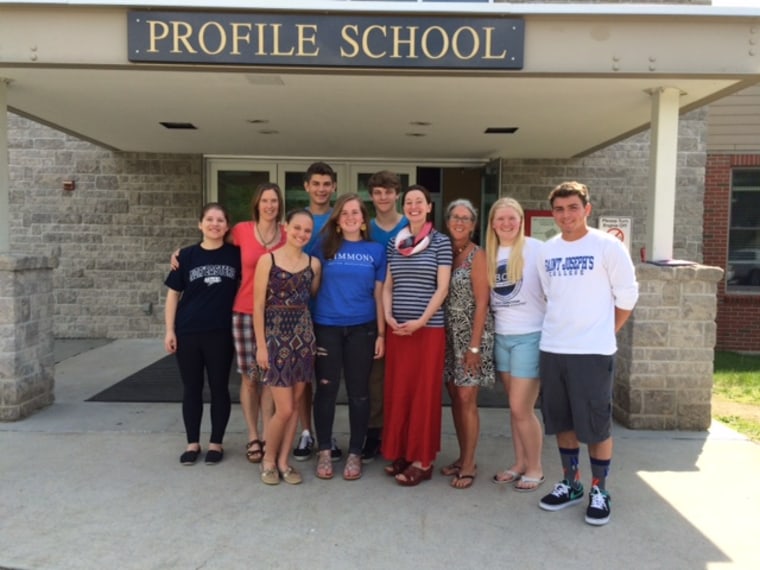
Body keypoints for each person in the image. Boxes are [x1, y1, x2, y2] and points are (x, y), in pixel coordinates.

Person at [536, 181, 639, 526]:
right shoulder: (547, 251)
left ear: (587, 209)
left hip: (592, 353)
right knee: (562, 422)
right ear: (553, 214)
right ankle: (571, 483)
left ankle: (600, 489)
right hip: (554, 348)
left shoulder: (607, 246)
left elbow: (627, 297)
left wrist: (603, 332)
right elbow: (552, 296)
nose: (566, 215)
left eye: (573, 208)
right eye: (560, 209)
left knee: (595, 425)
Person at [171, 183, 286, 466]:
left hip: (276, 315)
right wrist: (179, 253)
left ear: (279, 205)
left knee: (269, 379)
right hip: (243, 313)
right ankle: (251, 436)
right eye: (264, 201)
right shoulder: (242, 232)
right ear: (257, 204)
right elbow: (209, 242)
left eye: (274, 201)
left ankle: (265, 436)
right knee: (249, 379)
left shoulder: (286, 233)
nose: (269, 205)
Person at [312, 194, 386, 481]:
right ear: (337, 220)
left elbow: (380, 296)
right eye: (345, 212)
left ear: (363, 219)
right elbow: (312, 286)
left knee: (359, 392)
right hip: (326, 327)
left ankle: (355, 451)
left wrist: (381, 333)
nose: (351, 217)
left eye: (356, 212)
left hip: (362, 329)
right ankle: (325, 450)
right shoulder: (323, 248)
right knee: (327, 390)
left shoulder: (376, 251)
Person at [382, 184, 452, 486]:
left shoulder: (440, 242)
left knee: (424, 394)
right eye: (408, 201)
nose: (413, 206)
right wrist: (387, 316)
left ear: (428, 207)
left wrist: (422, 320)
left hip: (428, 331)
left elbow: (442, 288)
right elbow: (388, 285)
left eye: (419, 202)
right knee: (400, 392)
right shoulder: (395, 243)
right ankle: (404, 451)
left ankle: (423, 460)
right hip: (398, 329)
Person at [164, 203, 241, 466]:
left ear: (227, 226)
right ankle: (192, 442)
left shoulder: (235, 255)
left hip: (220, 333)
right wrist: (169, 330)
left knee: (220, 388)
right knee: (192, 388)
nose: (215, 224)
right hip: (188, 332)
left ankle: (216, 443)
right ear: (200, 224)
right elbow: (173, 295)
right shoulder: (186, 256)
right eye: (209, 219)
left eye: (220, 220)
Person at [254, 209, 322, 486]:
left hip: (303, 340)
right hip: (275, 338)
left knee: (294, 406)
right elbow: (257, 306)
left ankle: (284, 461)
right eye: (297, 228)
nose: (301, 234)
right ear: (286, 227)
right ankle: (268, 459)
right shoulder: (267, 260)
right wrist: (261, 346)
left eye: (307, 231)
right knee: (282, 409)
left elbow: (311, 297)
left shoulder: (314, 264)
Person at [485, 197, 546, 492]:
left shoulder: (537, 249)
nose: (506, 224)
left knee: (522, 408)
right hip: (502, 336)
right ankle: (519, 463)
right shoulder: (490, 253)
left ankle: (535, 467)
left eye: (512, 218)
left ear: (521, 221)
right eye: (500, 219)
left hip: (530, 336)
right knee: (515, 409)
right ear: (493, 224)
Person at [441, 199, 495, 489]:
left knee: (466, 400)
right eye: (455, 217)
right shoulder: (444, 252)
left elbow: (482, 302)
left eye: (466, 218)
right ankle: (462, 458)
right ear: (447, 221)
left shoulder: (478, 255)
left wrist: (473, 347)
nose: (459, 222)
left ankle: (470, 463)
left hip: (472, 337)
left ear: (473, 224)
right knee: (454, 398)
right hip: (448, 337)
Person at [294, 161, 342, 462]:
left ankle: (327, 432)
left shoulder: (340, 219)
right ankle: (306, 432)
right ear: (307, 186)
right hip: (298, 311)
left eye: (326, 184)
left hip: (330, 310)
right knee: (302, 377)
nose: (321, 189)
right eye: (316, 184)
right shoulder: (299, 219)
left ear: (333, 187)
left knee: (327, 378)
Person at [362, 170, 407, 462]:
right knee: (374, 378)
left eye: (388, 192)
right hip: (372, 310)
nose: (383, 197)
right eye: (378, 192)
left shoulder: (411, 225)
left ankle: (400, 432)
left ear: (397, 194)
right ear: (372, 195)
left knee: (402, 376)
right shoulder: (366, 228)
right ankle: (374, 432)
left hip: (406, 310)